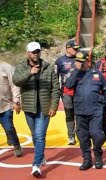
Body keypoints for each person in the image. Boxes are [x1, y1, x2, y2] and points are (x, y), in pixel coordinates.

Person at [13, 42, 60, 177]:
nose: (36, 54)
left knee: (40, 136)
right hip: (28, 107)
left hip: (44, 108)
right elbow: (16, 80)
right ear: (27, 53)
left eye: (38, 51)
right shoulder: (22, 66)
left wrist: (54, 105)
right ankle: (42, 156)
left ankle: (36, 164)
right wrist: (29, 73)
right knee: (35, 135)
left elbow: (55, 88)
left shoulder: (48, 68)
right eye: (33, 52)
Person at [65, 51, 106, 171]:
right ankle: (87, 159)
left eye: (81, 62)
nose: (79, 64)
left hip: (95, 110)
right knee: (82, 136)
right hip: (80, 110)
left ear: (88, 61)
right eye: (77, 61)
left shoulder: (97, 74)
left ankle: (98, 154)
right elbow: (68, 85)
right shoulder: (75, 74)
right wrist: (76, 71)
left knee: (97, 134)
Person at [55, 39, 80, 145]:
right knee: (69, 114)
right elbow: (55, 78)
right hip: (66, 92)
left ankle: (81, 134)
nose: (76, 51)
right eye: (74, 49)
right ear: (68, 49)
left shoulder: (80, 59)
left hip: (79, 90)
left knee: (80, 113)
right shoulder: (60, 61)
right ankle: (71, 136)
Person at [0, 61, 22, 157]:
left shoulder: (6, 67)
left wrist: (16, 101)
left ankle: (16, 145)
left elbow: (14, 85)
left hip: (6, 105)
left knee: (9, 127)